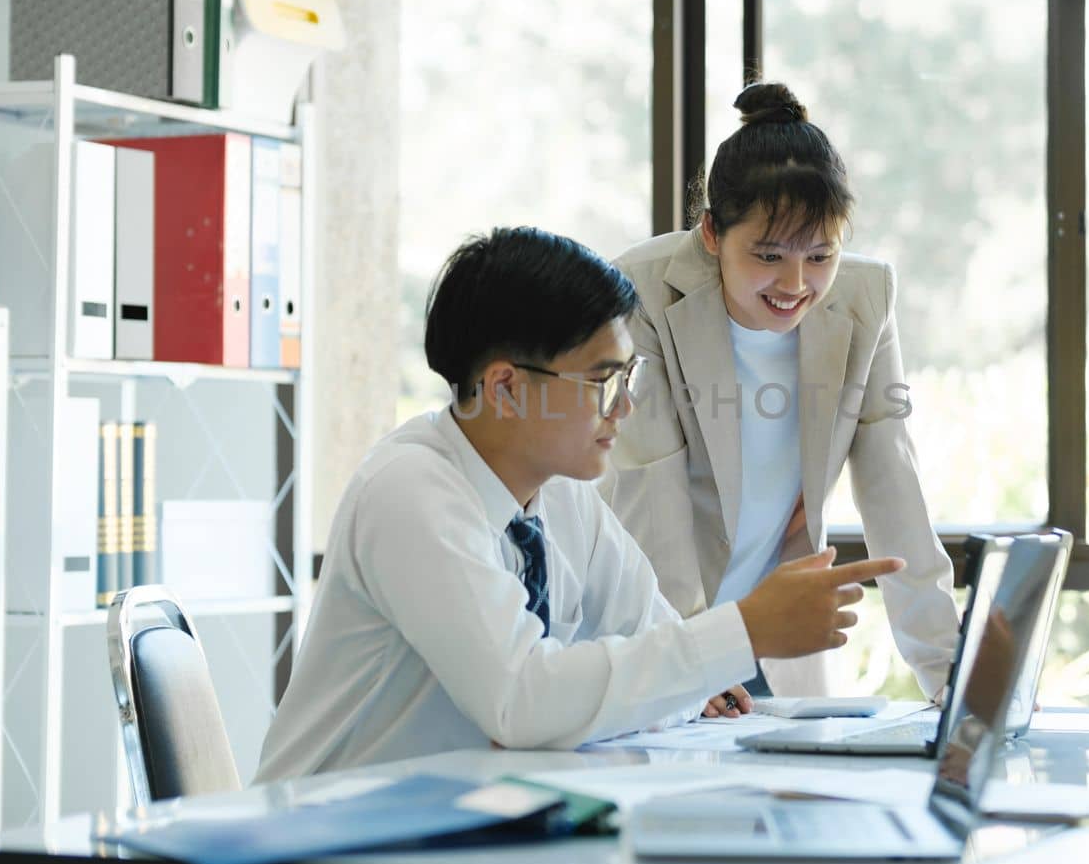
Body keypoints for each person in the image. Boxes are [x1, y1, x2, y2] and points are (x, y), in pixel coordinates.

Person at [257, 226, 901, 783]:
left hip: (468, 856)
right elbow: (523, 700)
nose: (625, 407)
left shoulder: (564, 496)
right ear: (506, 387)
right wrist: (744, 631)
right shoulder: (411, 492)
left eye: (628, 378)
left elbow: (660, 651)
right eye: (602, 381)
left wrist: (687, 673)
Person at [600, 81, 960, 699]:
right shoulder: (646, 289)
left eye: (820, 256)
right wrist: (684, 655)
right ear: (712, 233)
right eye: (768, 256)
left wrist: (952, 675)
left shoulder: (865, 297)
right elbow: (648, 488)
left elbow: (893, 485)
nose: (795, 284)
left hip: (776, 630)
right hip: (659, 623)